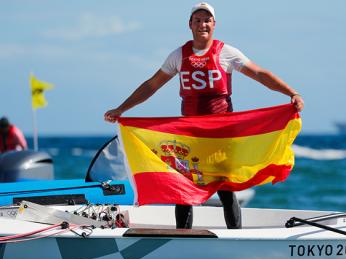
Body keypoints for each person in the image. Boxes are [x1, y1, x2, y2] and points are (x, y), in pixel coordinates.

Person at [104, 2, 304, 229]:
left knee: (225, 190)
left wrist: (291, 92)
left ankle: (236, 237)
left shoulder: (226, 52)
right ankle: (182, 238)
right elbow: (152, 85)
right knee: (183, 189)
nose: (203, 24)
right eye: (197, 20)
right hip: (190, 136)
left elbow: (259, 74)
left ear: (214, 24)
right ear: (190, 25)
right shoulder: (179, 55)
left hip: (221, 136)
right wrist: (122, 109)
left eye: (207, 20)